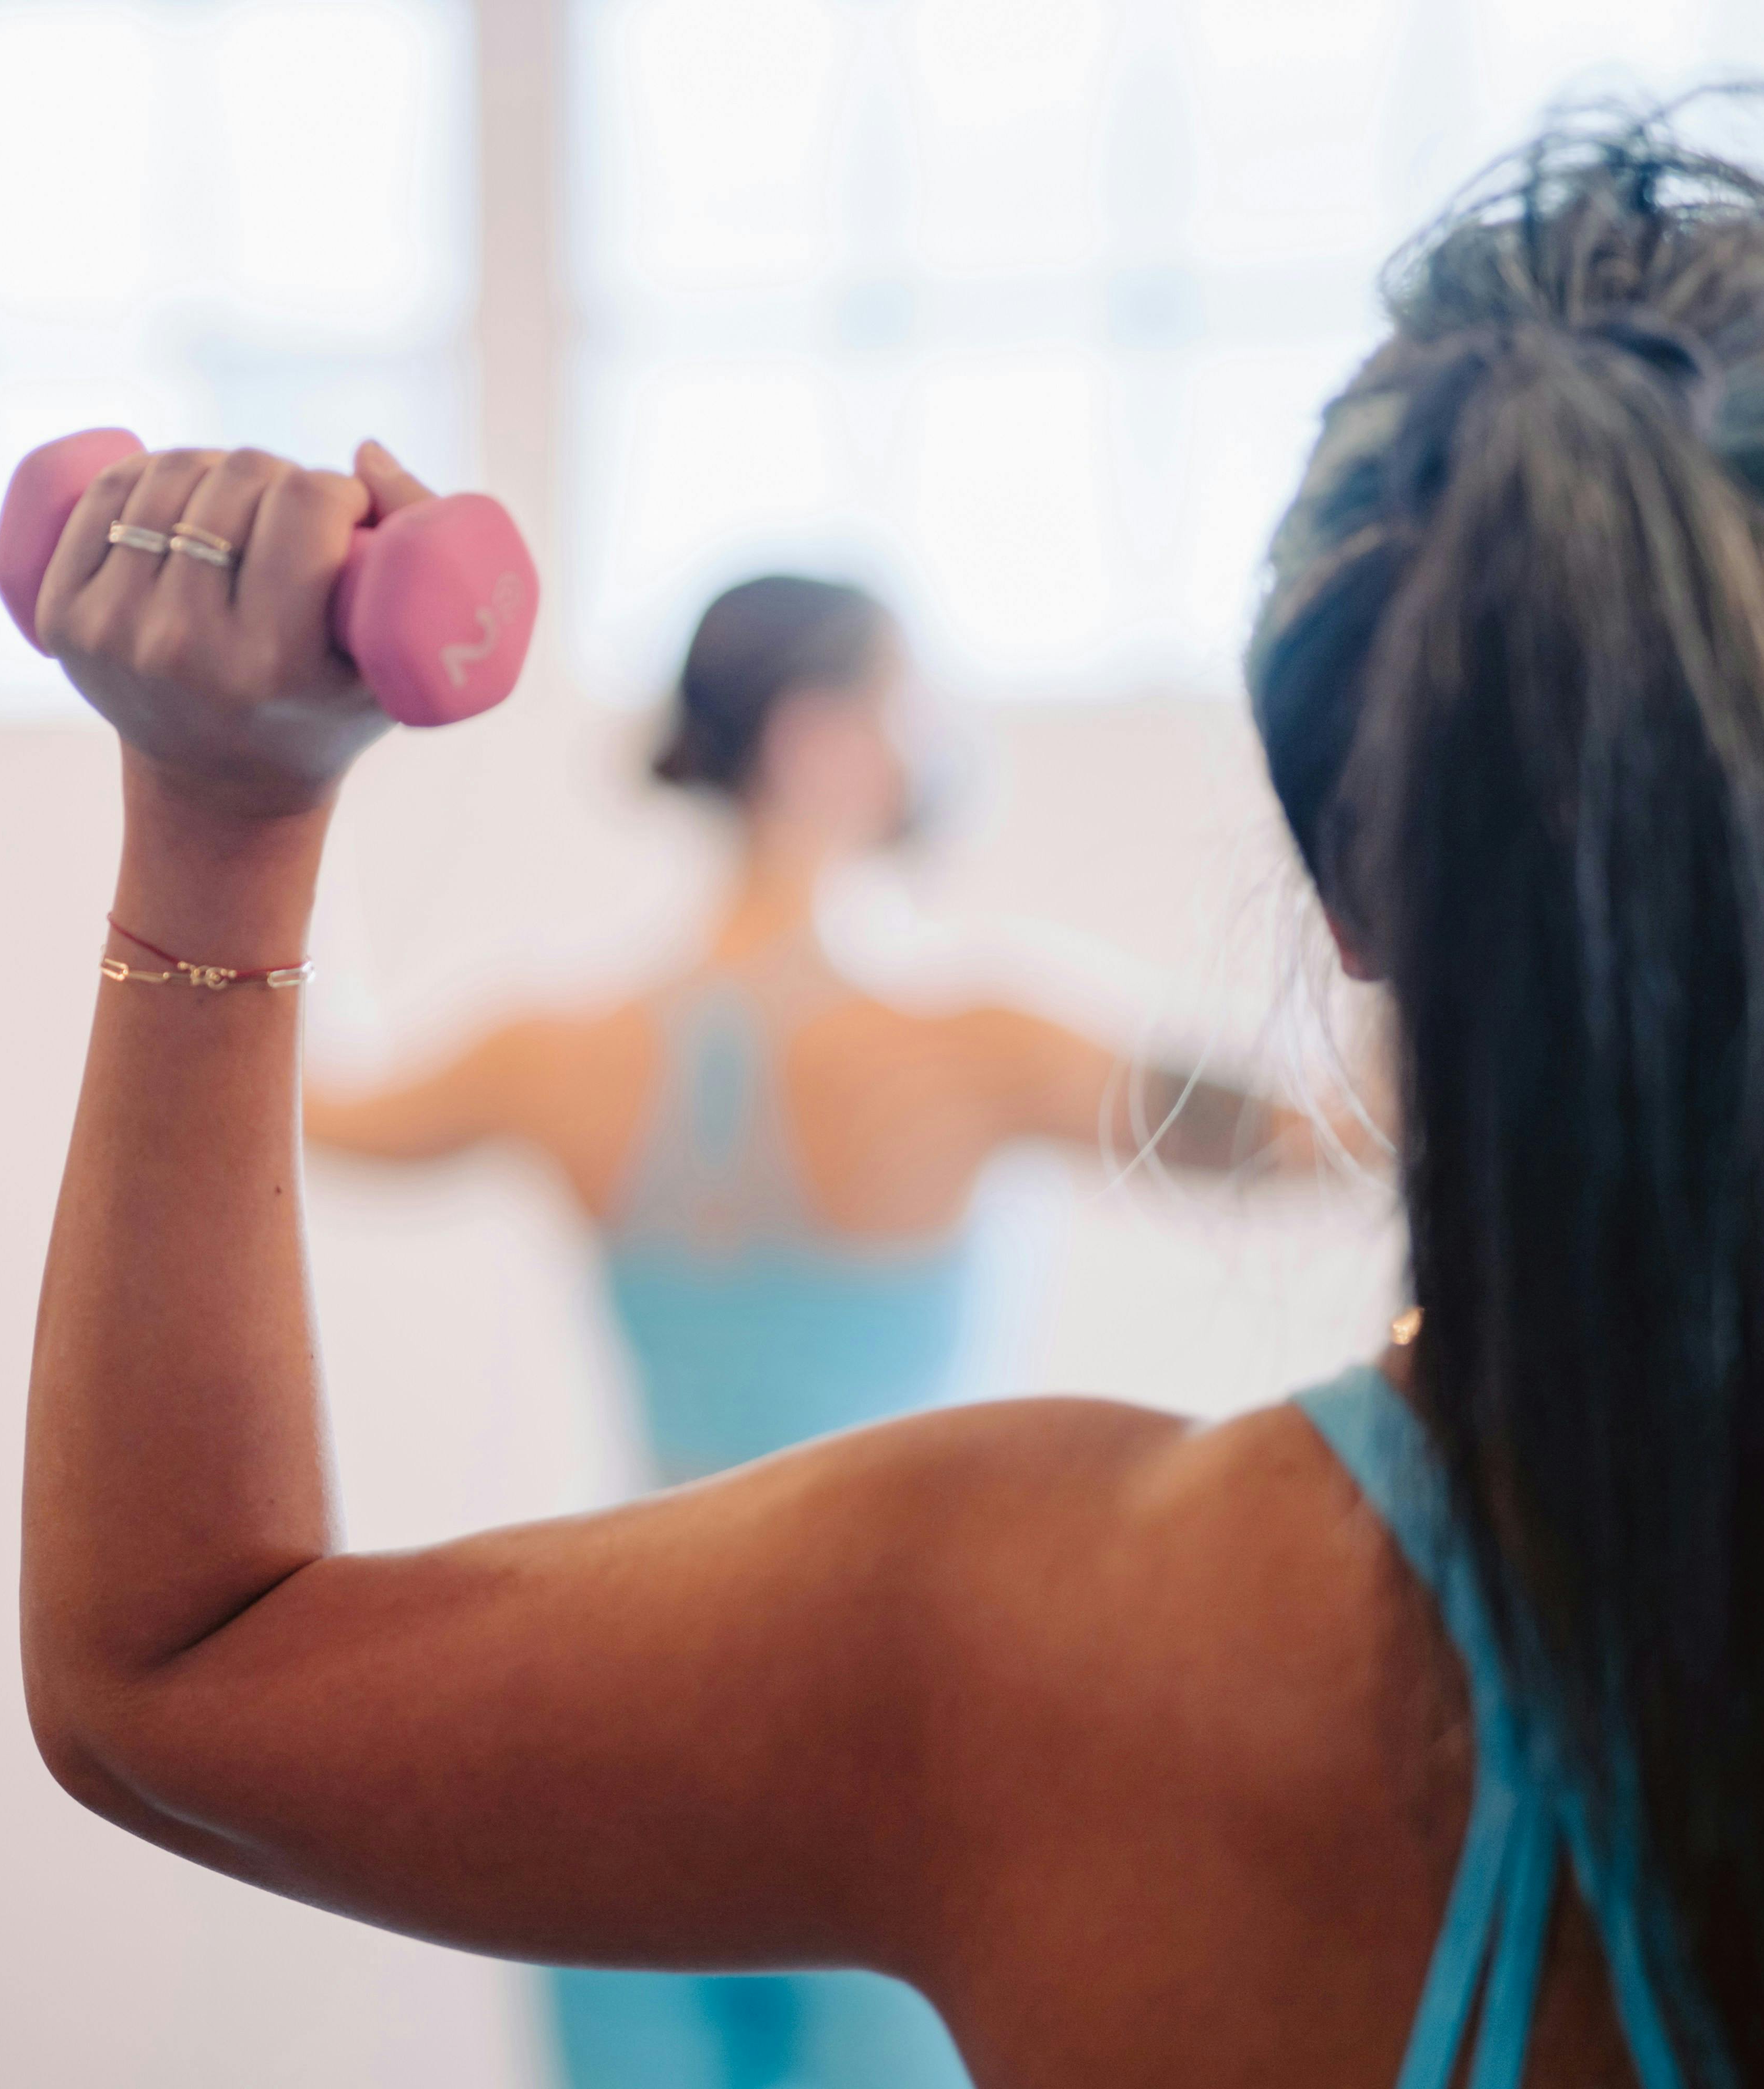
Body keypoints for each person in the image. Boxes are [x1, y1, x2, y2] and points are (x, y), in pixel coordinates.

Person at [15, 107, 1764, 2089]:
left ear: (1355, 877)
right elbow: (1300, 1136)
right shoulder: (992, 1046)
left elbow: (176, 1664)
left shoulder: (978, 1640)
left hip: (703, 1746)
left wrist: (229, 807)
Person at [303, 574, 1321, 2089]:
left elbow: (320, 1101)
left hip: (617, 1702)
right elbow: (1325, 1138)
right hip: (894, 1728)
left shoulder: (554, 1052)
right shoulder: (974, 1044)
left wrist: (283, 772)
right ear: (823, 737)